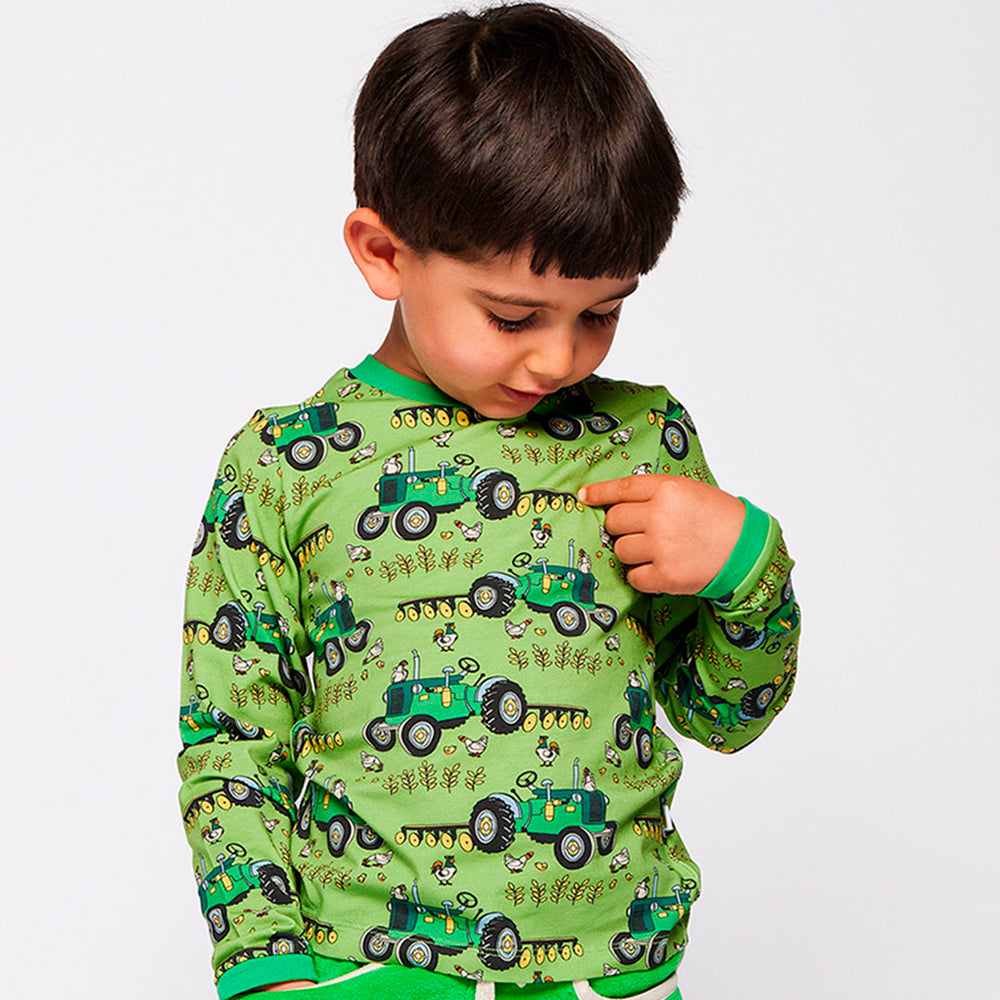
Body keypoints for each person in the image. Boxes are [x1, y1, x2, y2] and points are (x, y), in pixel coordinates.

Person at [177, 5, 801, 999]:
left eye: (602, 312)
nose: (559, 357)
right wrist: (263, 967)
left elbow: (722, 714)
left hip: (613, 968)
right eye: (514, 316)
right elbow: (231, 741)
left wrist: (748, 570)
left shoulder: (644, 441)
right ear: (384, 253)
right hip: (368, 968)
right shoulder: (285, 464)